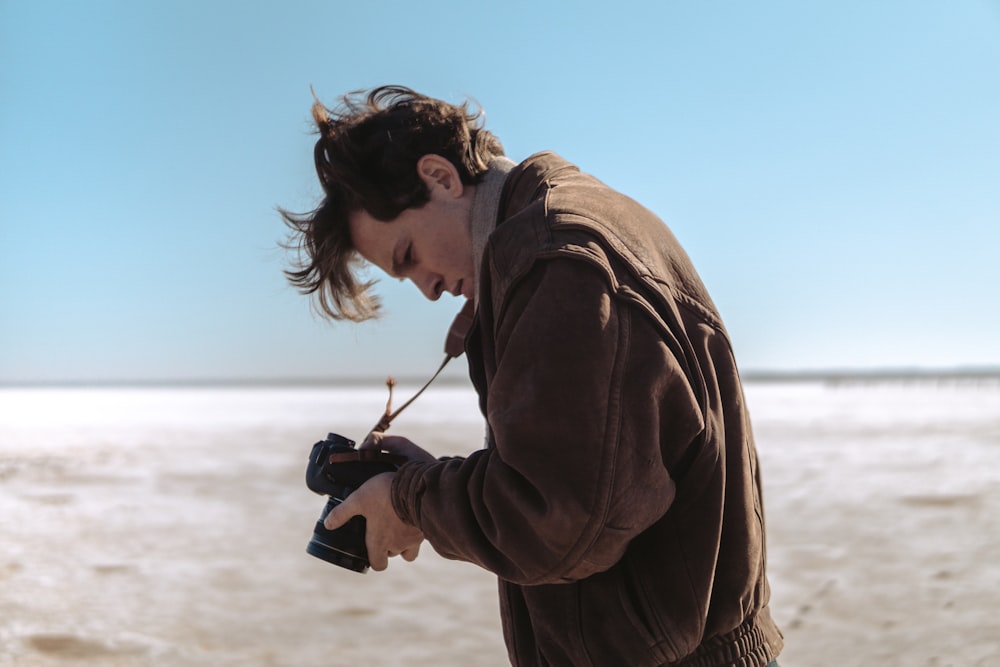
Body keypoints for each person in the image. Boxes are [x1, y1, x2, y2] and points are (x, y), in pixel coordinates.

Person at [282, 85, 783, 667]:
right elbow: (579, 482)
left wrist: (409, 501)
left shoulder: (558, 259)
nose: (428, 288)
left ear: (440, 176)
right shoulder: (568, 227)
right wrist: (427, 482)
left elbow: (558, 524)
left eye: (409, 255)